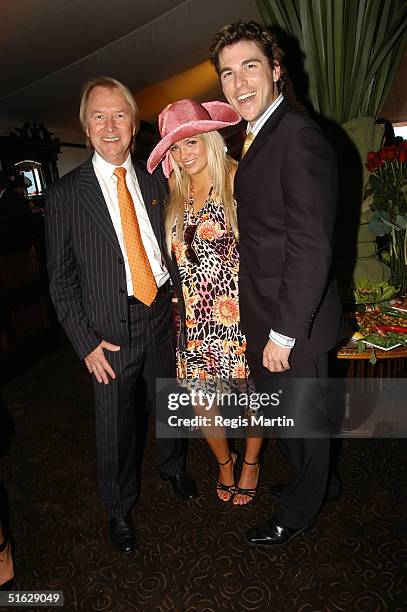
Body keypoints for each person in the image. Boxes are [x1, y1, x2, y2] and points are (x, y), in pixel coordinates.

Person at [45, 77, 197, 555]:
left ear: (135, 124)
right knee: (114, 427)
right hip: (108, 332)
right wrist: (85, 343)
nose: (110, 126)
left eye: (120, 115)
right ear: (86, 127)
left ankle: (172, 468)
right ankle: (118, 508)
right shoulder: (66, 194)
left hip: (161, 315)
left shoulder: (157, 178)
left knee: (170, 401)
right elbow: (60, 279)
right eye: (99, 116)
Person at [209, 21, 344, 545]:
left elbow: (311, 245)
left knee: (304, 427)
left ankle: (298, 514)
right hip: (270, 313)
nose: (239, 82)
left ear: (277, 69)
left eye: (250, 67)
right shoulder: (265, 131)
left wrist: (285, 334)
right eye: (227, 72)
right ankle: (321, 484)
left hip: (295, 323)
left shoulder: (298, 135)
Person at [147, 99, 263, 505]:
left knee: (252, 399)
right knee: (202, 403)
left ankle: (250, 464)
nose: (184, 154)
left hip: (239, 317)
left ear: (210, 138)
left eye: (192, 141)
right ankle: (224, 463)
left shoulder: (236, 180)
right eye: (175, 148)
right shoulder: (174, 194)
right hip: (193, 322)